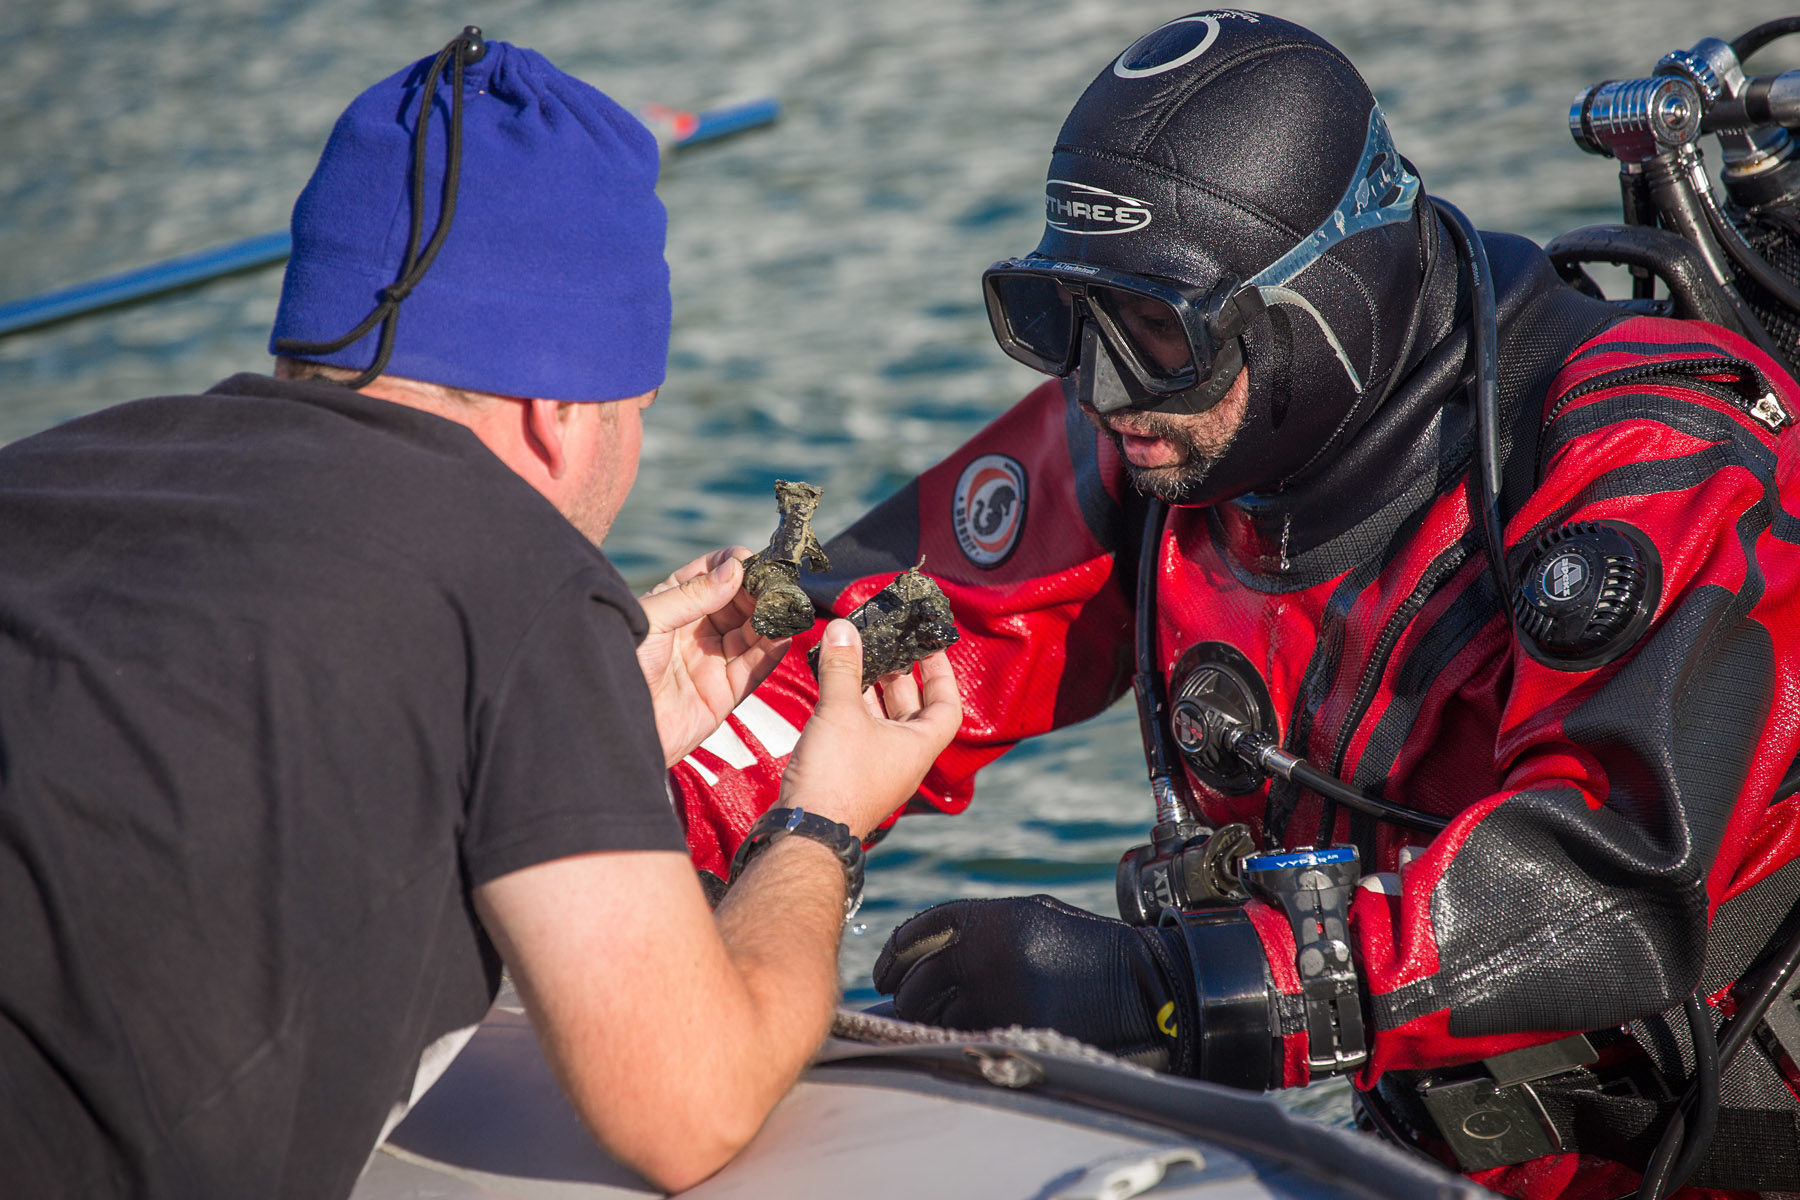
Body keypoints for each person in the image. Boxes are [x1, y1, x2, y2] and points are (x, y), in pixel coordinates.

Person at [667, 12, 1800, 1199]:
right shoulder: (1165, 435)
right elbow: (850, 657)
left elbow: (1610, 892)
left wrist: (1158, 990)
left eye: (1156, 327)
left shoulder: (1645, 462)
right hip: (1401, 1148)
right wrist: (638, 839)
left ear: (1329, 298)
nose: (1101, 387)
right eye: (1065, 318)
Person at [0, 30, 961, 1200]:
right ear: (564, 411)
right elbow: (689, 1108)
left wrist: (575, 730)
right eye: (635, 407)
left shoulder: (48, 477)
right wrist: (822, 823)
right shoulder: (511, 569)